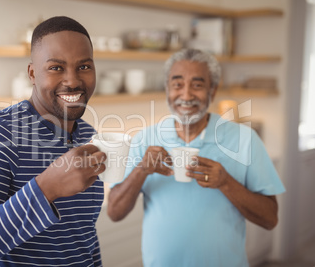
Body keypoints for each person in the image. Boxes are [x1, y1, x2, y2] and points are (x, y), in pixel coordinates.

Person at [0, 16, 107, 266]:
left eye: (84, 67)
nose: (72, 81)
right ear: (32, 73)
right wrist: (46, 188)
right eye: (56, 67)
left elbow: (82, 236)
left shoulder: (87, 135)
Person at [107, 48, 286, 267]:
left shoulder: (245, 139)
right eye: (177, 84)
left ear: (213, 90)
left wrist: (226, 182)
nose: (186, 95)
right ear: (167, 89)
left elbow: (270, 219)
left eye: (198, 85)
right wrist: (141, 170)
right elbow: (115, 212)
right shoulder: (145, 139)